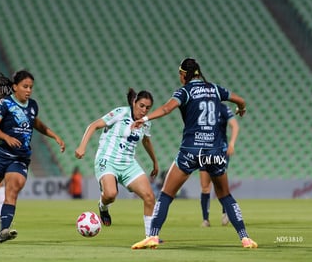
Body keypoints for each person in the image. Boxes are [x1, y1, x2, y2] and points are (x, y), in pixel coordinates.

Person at [131, 58, 257, 249]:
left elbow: (166, 108)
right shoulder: (215, 89)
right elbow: (240, 100)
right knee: (225, 196)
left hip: (191, 150)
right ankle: (245, 237)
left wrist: (145, 118)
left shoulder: (185, 91)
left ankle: (153, 236)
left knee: (166, 194)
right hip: (214, 150)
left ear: (183, 75)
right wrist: (241, 109)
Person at [0, 70, 66, 243]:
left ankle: (4, 230)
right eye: (25, 87)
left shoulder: (33, 105)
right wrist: (6, 137)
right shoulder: (5, 104)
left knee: (13, 189)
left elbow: (36, 123)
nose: (28, 90)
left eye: (31, 87)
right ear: (15, 87)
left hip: (20, 158)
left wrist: (54, 135)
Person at [75, 88, 159, 238]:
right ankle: (103, 206)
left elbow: (146, 141)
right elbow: (93, 125)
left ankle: (150, 237)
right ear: (134, 103)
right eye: (141, 106)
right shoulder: (120, 113)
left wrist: (155, 162)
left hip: (128, 163)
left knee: (149, 197)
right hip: (108, 159)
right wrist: (82, 146)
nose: (144, 110)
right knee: (111, 194)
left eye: (147, 108)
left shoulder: (146, 123)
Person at [199, 103, 238, 227]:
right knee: (205, 186)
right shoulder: (199, 106)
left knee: (220, 184)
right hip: (203, 150)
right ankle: (205, 219)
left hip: (221, 151)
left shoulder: (222, 108)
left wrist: (231, 144)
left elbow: (235, 126)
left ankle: (225, 212)